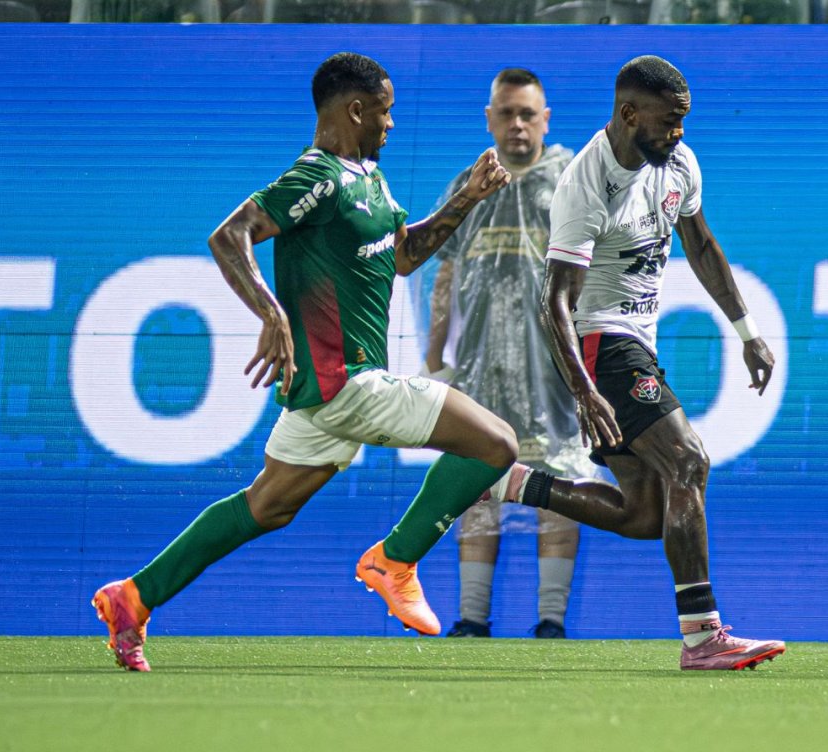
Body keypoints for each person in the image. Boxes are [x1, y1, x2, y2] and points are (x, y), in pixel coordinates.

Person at [90, 52, 517, 671]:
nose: (392, 124)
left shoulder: (366, 177)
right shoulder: (316, 177)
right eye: (386, 111)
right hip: (349, 382)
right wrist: (272, 313)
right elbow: (229, 235)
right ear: (355, 109)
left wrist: (466, 198)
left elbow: (403, 254)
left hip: (321, 393)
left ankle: (133, 596)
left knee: (267, 505)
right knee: (496, 443)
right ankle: (394, 560)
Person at [485, 55, 785, 670]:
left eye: (683, 123)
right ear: (628, 114)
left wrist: (747, 330)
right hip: (599, 345)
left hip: (634, 345)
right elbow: (555, 302)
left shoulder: (678, 163)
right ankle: (703, 637)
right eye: (668, 122)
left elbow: (700, 244)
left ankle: (515, 482)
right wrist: (586, 390)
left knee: (648, 513)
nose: (678, 135)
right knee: (690, 461)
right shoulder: (586, 183)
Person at [421, 68, 594, 640]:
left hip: (555, 367)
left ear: (546, 120)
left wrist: (590, 358)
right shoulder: (469, 184)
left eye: (528, 114)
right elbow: (445, 269)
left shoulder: (569, 181)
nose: (517, 124)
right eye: (506, 113)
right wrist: (434, 350)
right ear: (489, 118)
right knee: (474, 484)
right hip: (481, 364)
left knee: (560, 482)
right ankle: (472, 619)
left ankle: (551, 620)